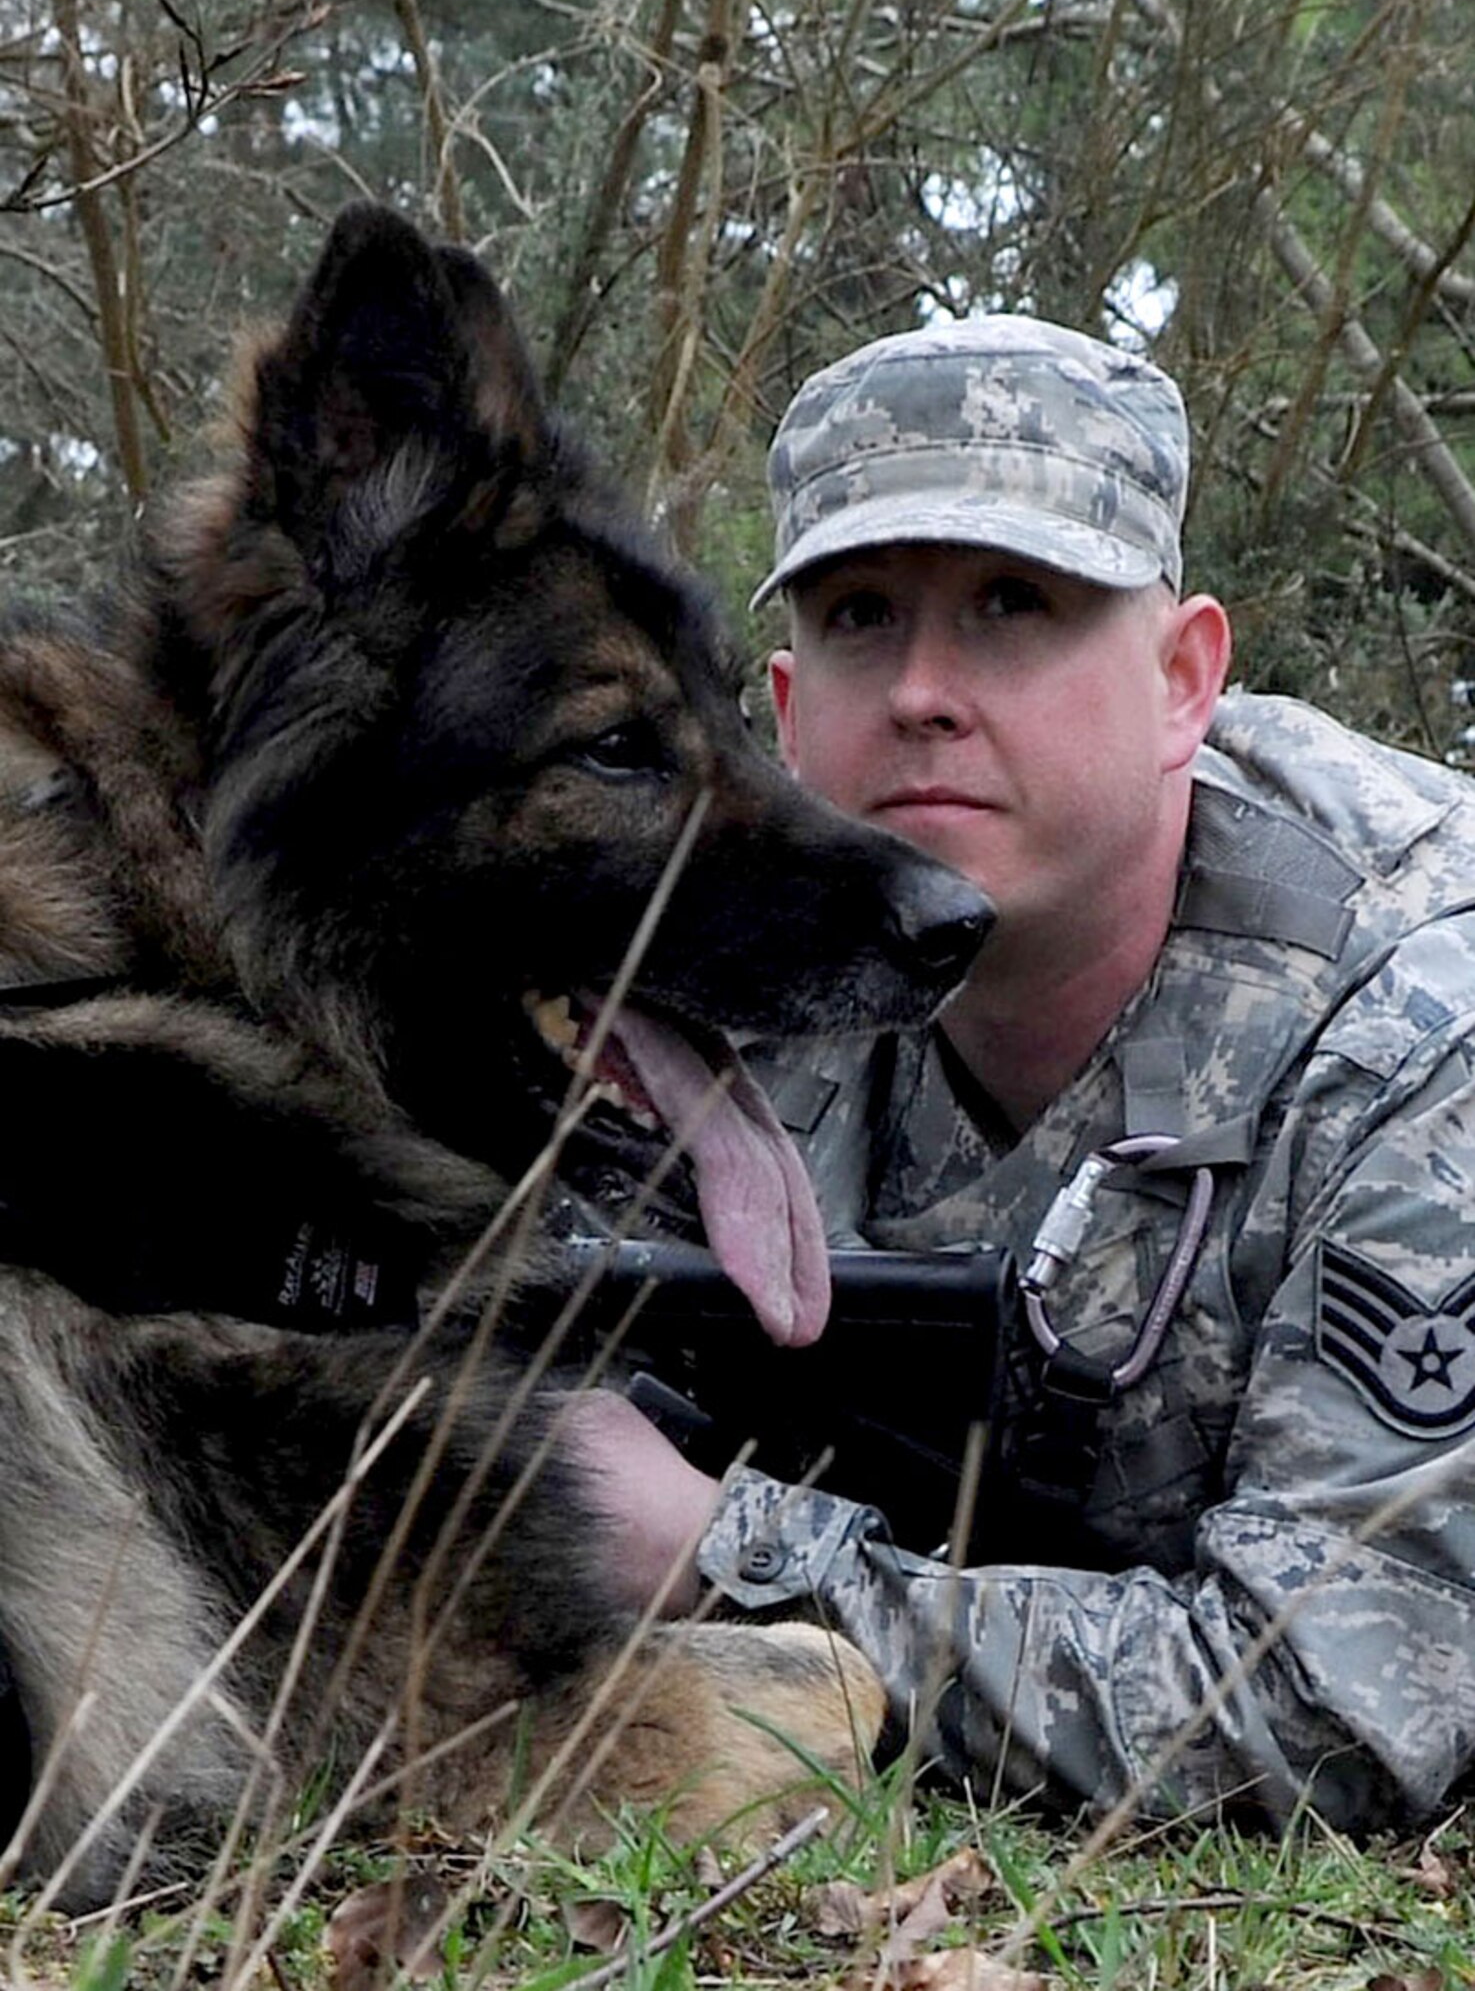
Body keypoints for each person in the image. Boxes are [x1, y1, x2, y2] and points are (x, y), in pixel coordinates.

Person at [568, 316, 1475, 1834]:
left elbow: (1343, 1710)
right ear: (788, 718)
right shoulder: (728, 976)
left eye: (1011, 603)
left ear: (1187, 680)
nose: (922, 689)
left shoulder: (1418, 1030)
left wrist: (722, 1552)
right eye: (861, 615)